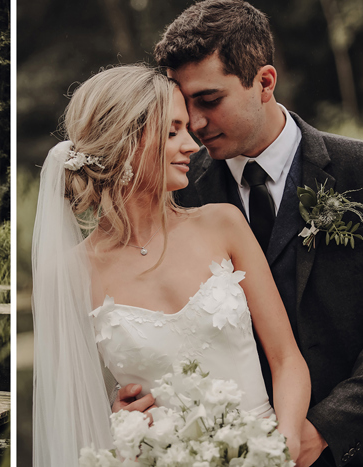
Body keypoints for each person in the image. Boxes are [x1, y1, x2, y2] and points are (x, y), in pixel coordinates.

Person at [114, 2, 363, 466]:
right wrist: (131, 402)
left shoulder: (357, 172)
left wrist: (326, 429)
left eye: (209, 100)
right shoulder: (179, 194)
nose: (197, 122)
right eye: (186, 106)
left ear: (265, 82)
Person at [32, 64, 310, 467]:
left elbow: (287, 361)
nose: (192, 145)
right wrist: (114, 417)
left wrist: (285, 446)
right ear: (127, 142)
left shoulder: (224, 224)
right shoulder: (68, 274)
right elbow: (70, 410)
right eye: (172, 131)